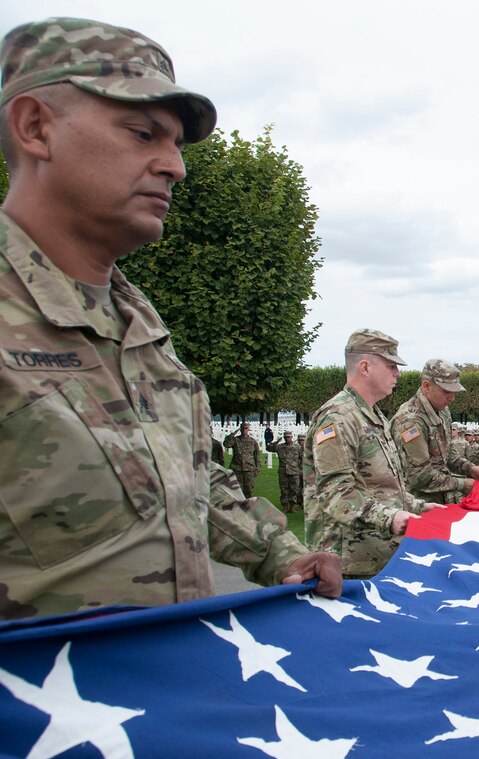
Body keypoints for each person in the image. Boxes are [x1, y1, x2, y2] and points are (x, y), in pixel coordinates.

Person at [0, 17, 341, 619]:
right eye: (141, 134)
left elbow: (190, 480)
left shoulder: (138, 324)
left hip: (159, 696)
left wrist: (281, 553)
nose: (175, 167)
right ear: (35, 127)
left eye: (176, 145)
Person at [304, 329, 440, 578]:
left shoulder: (374, 416)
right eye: (391, 366)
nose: (398, 373)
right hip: (345, 565)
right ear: (365, 367)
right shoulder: (338, 418)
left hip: (375, 559)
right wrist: (389, 518)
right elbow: (335, 493)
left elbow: (382, 486)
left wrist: (419, 506)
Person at [390, 359, 479, 504]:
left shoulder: (442, 411)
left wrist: (471, 469)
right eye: (447, 391)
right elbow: (420, 477)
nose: (452, 398)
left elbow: (445, 451)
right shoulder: (410, 422)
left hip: (441, 500)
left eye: (454, 392)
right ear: (426, 386)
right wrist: (465, 484)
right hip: (416, 505)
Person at [266, 430, 303, 513]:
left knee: (294, 489)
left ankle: (292, 506)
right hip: (283, 471)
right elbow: (268, 448)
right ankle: (285, 506)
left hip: (294, 471)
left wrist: (300, 469)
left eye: (289, 437)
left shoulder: (297, 447)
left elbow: (301, 458)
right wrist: (276, 441)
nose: (287, 439)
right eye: (286, 437)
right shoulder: (280, 447)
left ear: (292, 437)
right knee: (284, 489)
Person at [222, 422, 261, 498]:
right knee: (237, 489)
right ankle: (239, 506)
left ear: (248, 429)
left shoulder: (253, 441)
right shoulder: (235, 440)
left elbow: (256, 455)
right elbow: (226, 444)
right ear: (240, 429)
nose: (244, 430)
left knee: (248, 489)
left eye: (246, 428)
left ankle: (247, 506)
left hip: (249, 468)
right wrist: (233, 434)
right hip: (237, 468)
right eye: (242, 428)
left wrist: (257, 468)